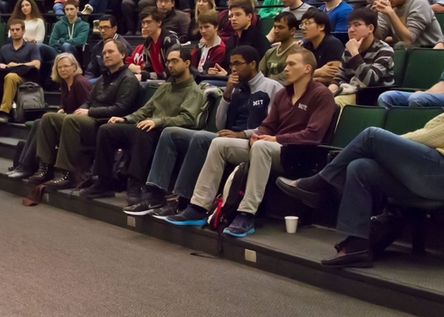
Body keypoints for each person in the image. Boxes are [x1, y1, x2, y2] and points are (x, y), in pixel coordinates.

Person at [277, 53, 444, 269]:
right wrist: (387, 147)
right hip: (440, 174)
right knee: (360, 167)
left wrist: (386, 146)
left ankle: (319, 182)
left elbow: (432, 136)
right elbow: (432, 132)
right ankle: (357, 246)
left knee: (371, 136)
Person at [166, 49, 335, 237]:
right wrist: (258, 134)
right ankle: (198, 207)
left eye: (291, 64)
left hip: (298, 155)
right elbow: (268, 125)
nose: (286, 68)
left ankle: (247, 214)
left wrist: (276, 139)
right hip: (272, 149)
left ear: (307, 68)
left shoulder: (321, 95)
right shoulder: (283, 94)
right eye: (286, 64)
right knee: (220, 144)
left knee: (262, 146)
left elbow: (314, 135)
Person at [127, 46, 283, 216]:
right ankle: (156, 195)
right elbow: (220, 123)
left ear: (252, 64)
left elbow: (271, 126)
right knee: (170, 132)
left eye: (238, 64)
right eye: (231, 64)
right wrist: (227, 94)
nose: (233, 69)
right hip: (227, 136)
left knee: (201, 137)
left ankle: (182, 200)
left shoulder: (272, 87)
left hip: (249, 139)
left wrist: (242, 134)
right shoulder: (237, 88)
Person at [81, 46, 206, 204]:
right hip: (149, 127)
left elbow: (187, 119)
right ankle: (104, 182)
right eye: (168, 62)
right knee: (107, 129)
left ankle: (135, 183)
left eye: (175, 61)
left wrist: (157, 121)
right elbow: (146, 109)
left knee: (143, 131)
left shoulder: (194, 91)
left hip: (167, 133)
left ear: (187, 63)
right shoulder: (166, 86)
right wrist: (126, 119)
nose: (170, 65)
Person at [33, 39, 140, 187]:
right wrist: (80, 110)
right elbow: (88, 101)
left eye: (110, 52)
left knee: (71, 120)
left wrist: (89, 112)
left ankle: (66, 173)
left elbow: (120, 108)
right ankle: (44, 167)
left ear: (122, 54)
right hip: (92, 117)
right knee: (48, 117)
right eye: (104, 53)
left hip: (106, 121)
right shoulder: (103, 77)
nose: (106, 55)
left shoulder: (128, 78)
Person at [328, 8, 395, 105]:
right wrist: (328, 93)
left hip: (373, 96)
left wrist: (355, 53)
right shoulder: (349, 50)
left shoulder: (384, 50)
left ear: (370, 28)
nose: (351, 30)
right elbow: (340, 78)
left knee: (337, 102)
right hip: (352, 92)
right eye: (349, 26)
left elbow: (369, 79)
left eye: (357, 25)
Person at [0, 19, 42, 124]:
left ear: (23, 31)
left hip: (24, 77)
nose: (15, 32)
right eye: (12, 30)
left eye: (17, 29)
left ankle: (4, 112)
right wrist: (0, 65)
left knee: (11, 76)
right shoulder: (5, 48)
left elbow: (37, 64)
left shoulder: (31, 47)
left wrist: (17, 65)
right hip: (5, 75)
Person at [374, 0, 444, 47]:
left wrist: (391, 13)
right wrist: (372, 18)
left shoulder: (419, 3)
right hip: (405, 50)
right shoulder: (388, 6)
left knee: (401, 45)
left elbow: (408, 40)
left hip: (430, 49)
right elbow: (378, 38)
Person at [127, 7, 180, 82]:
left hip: (172, 80)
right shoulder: (148, 42)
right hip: (157, 80)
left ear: (159, 23)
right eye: (143, 23)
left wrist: (146, 76)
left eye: (148, 22)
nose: (145, 26)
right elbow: (148, 67)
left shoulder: (170, 40)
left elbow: (174, 70)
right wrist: (143, 75)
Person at [300, 8, 344, 85]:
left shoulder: (333, 44)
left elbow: (333, 77)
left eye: (307, 23)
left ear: (321, 26)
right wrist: (319, 72)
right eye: (302, 24)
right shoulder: (306, 46)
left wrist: (307, 77)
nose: (303, 27)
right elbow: (298, 73)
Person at [259, 12, 300, 85]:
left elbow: (285, 78)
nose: (276, 31)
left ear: (292, 31)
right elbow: (259, 74)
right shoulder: (270, 52)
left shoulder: (298, 53)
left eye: (281, 27)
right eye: (275, 27)